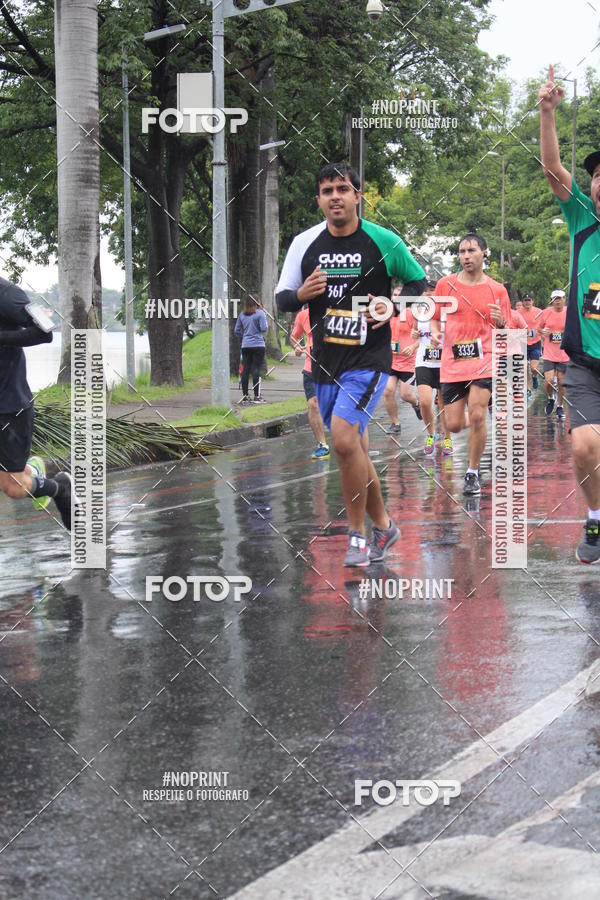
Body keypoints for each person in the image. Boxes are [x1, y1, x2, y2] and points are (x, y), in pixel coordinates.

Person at [276, 162, 426, 566]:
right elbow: (282, 298)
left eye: (343, 188)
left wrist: (392, 304)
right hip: (325, 360)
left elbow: (417, 282)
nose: (336, 196)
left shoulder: (382, 241)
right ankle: (384, 525)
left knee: (343, 440)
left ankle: (357, 535)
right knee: (353, 449)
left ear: (358, 196)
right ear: (320, 200)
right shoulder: (304, 244)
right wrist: (302, 295)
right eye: (327, 191)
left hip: (370, 357)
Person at [539, 63, 600, 562]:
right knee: (583, 447)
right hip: (583, 363)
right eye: (599, 176)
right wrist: (547, 113)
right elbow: (553, 169)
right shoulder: (582, 217)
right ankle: (595, 518)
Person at [431, 233, 511, 496]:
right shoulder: (445, 285)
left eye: (471, 250)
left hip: (484, 360)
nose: (466, 256)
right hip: (453, 363)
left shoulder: (497, 290)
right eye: (462, 251)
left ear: (484, 253)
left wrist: (501, 323)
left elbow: (508, 330)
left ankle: (472, 472)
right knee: (453, 425)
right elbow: (433, 317)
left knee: (477, 413)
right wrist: (434, 332)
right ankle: (473, 429)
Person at [0, 276, 74, 530]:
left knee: (14, 487)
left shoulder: (8, 294)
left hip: (8, 406)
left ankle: (59, 487)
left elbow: (45, 331)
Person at [413, 284, 452, 456]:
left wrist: (442, 334)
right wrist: (414, 335)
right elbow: (415, 332)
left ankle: (448, 439)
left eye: (432, 290)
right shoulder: (419, 311)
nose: (429, 293)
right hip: (424, 361)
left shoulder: (447, 312)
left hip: (444, 363)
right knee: (425, 401)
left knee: (444, 405)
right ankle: (431, 435)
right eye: (426, 291)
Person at [291, 306, 330, 458]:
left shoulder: (336, 312)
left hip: (333, 367)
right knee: (313, 404)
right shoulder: (303, 315)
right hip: (311, 367)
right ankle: (322, 444)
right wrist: (297, 347)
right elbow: (294, 337)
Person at [383, 286, 421, 434]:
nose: (397, 297)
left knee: (405, 395)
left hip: (408, 362)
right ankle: (395, 424)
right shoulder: (386, 313)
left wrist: (413, 346)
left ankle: (416, 404)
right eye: (395, 294)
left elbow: (423, 337)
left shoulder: (412, 314)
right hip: (391, 361)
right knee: (387, 391)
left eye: (400, 295)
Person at [538, 289, 569, 418]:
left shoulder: (570, 312)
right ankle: (551, 398)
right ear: (552, 300)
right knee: (549, 380)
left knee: (562, 383)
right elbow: (538, 328)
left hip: (564, 353)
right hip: (549, 353)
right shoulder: (545, 313)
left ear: (564, 299)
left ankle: (560, 406)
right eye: (555, 299)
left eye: (559, 298)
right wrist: (541, 331)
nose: (557, 301)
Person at [235, 296, 268, 403]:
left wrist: (243, 338)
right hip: (258, 344)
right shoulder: (260, 314)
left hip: (246, 345)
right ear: (257, 303)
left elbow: (237, 330)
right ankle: (257, 396)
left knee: (245, 370)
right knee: (256, 369)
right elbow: (264, 328)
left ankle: (245, 395)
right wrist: (262, 312)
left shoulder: (242, 315)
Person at [519, 293, 543, 396]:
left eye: (529, 300)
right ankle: (528, 390)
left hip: (535, 343)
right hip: (522, 344)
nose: (527, 302)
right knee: (524, 367)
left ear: (532, 301)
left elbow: (544, 325)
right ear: (522, 302)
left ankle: (534, 377)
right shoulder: (517, 313)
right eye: (525, 300)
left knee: (534, 368)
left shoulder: (539, 312)